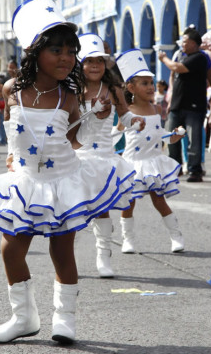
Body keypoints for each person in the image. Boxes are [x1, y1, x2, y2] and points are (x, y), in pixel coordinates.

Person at [0, 0, 135, 345]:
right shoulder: (12, 90)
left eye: (72, 51)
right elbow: (14, 130)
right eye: (57, 50)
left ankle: (64, 320)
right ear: (34, 52)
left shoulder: (71, 97)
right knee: (10, 249)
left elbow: (70, 138)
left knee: (61, 250)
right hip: (25, 182)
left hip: (60, 181)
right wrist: (12, 157)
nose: (67, 58)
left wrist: (96, 118)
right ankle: (23, 317)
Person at [75, 33, 145, 278]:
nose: (95, 66)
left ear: (106, 64)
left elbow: (125, 116)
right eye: (90, 61)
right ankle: (67, 261)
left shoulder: (114, 88)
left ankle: (103, 255)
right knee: (72, 210)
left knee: (102, 208)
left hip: (104, 158)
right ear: (80, 63)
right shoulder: (71, 89)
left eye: (100, 61)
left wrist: (134, 120)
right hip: (76, 158)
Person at [116, 49, 185, 254]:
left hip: (153, 161)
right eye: (144, 83)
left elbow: (160, 133)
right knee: (128, 203)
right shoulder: (125, 111)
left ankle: (176, 235)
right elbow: (116, 133)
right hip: (133, 163)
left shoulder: (156, 109)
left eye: (151, 83)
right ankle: (128, 239)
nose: (150, 87)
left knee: (159, 199)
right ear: (131, 87)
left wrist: (173, 135)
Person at [158, 27, 208, 182]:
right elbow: (174, 74)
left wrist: (164, 58)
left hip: (193, 107)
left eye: (185, 42)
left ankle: (195, 170)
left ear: (193, 43)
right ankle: (176, 168)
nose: (182, 45)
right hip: (177, 106)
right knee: (172, 137)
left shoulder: (199, 57)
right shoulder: (182, 56)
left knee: (193, 140)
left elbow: (176, 67)